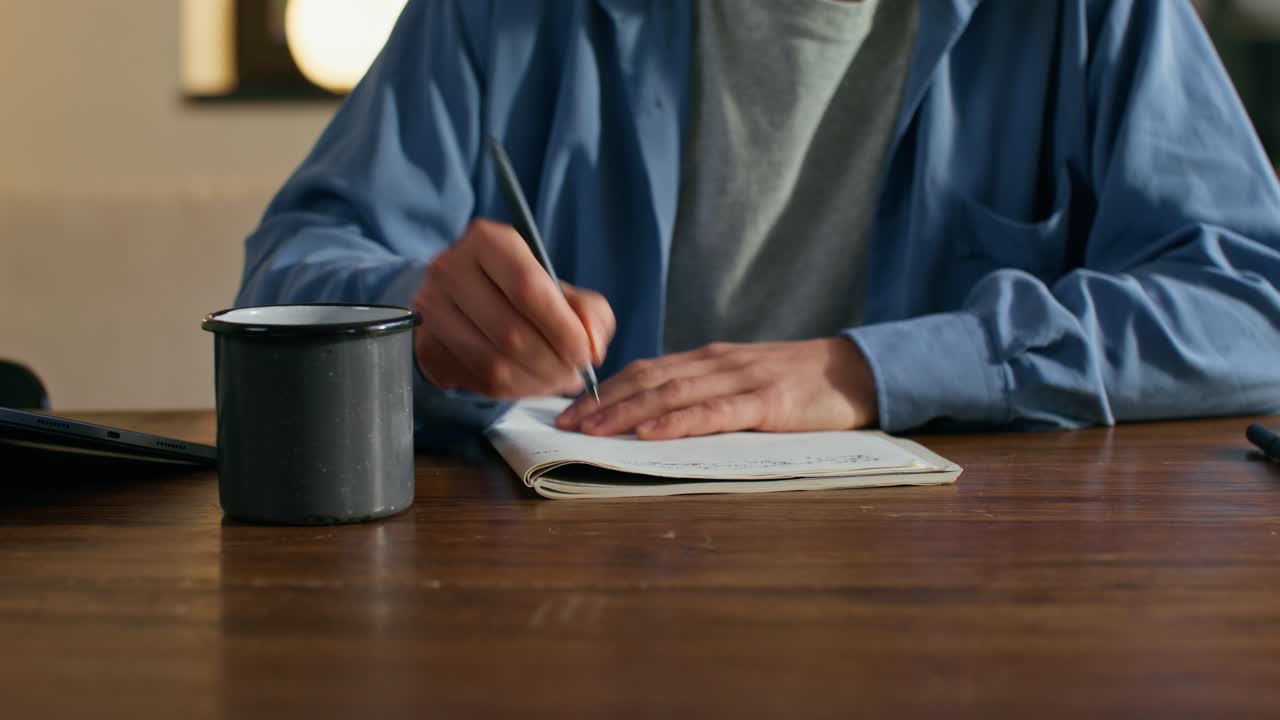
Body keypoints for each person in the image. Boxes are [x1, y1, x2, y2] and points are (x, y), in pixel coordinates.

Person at [236, 0, 1280, 444]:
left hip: (971, 606)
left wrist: (865, 372)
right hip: (571, 604)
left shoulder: (1089, 13)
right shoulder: (497, 14)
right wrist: (412, 314)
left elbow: (1251, 305)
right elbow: (290, 272)